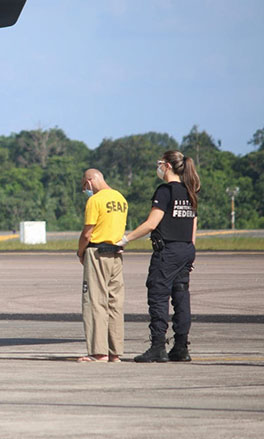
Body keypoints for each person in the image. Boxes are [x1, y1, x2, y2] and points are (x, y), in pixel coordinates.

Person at [118, 150, 200, 363]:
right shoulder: (189, 190)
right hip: (186, 249)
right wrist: (190, 251)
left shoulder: (165, 191)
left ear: (168, 166)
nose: (158, 167)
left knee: (158, 295)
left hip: (169, 252)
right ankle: (181, 346)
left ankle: (157, 347)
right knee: (181, 296)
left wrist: (125, 239)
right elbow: (193, 225)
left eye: (160, 163)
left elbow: (151, 224)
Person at [75, 169, 128, 363]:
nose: (85, 190)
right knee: (115, 303)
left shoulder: (95, 200)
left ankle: (98, 352)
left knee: (95, 301)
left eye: (84, 186)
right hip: (116, 254)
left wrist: (80, 252)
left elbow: (87, 233)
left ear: (90, 181)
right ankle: (115, 352)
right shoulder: (120, 198)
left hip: (97, 253)